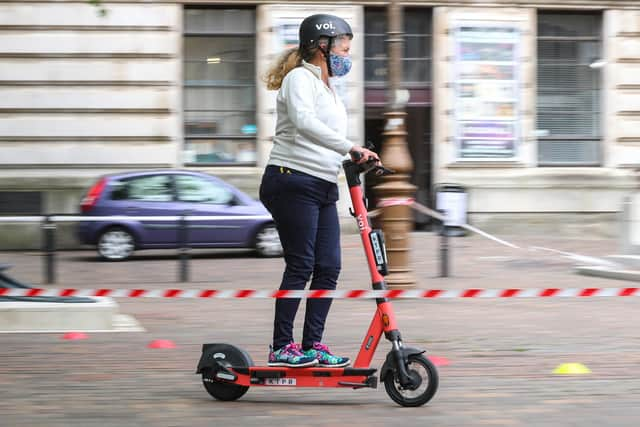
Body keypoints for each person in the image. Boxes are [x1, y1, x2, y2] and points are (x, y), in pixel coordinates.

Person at [260, 14, 380, 368]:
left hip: (323, 183)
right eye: (344, 43)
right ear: (322, 46)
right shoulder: (299, 78)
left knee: (328, 266)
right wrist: (349, 147)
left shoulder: (329, 89)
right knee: (302, 264)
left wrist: (354, 158)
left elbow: (323, 136)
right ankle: (282, 345)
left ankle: (312, 344)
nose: (348, 51)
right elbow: (303, 122)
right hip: (291, 179)